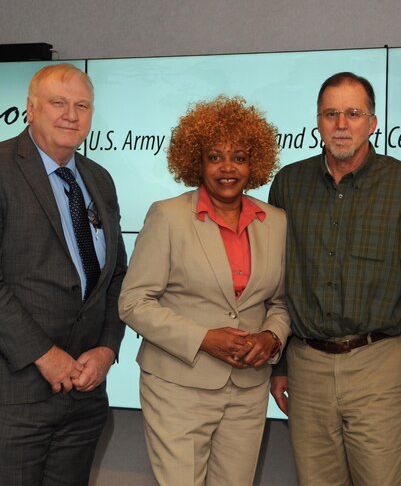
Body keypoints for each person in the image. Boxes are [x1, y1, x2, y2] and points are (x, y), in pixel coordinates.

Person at [0, 63, 127, 485]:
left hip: (83, 393)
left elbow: (117, 276)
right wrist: (46, 357)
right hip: (12, 394)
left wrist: (106, 349)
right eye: (58, 103)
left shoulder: (99, 179)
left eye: (82, 105)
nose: (71, 114)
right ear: (30, 109)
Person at [268, 72, 401, 485]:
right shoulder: (289, 184)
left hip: (381, 364)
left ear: (373, 123)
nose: (341, 124)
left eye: (353, 113)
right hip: (307, 366)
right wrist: (281, 363)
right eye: (331, 114)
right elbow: (278, 285)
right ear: (318, 121)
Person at [118, 95, 291, 485]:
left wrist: (272, 336)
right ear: (196, 161)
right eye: (215, 157)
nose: (228, 168)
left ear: (255, 164)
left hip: (248, 388)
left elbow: (280, 302)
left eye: (239, 157)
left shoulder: (275, 221)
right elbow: (132, 302)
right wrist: (204, 338)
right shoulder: (168, 216)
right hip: (177, 386)